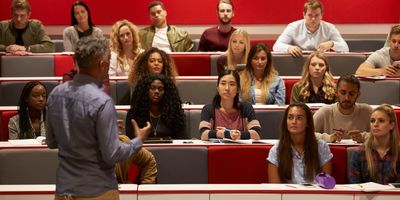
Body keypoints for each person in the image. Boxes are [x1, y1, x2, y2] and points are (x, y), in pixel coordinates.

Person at [46, 37, 152, 199]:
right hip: (97, 191)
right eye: (109, 61)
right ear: (102, 65)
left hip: (63, 191)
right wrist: (138, 141)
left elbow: (51, 142)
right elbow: (112, 154)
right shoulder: (102, 101)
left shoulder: (55, 94)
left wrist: (96, 129)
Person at [267, 103, 333, 184]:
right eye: (290, 118)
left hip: (315, 195)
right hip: (287, 196)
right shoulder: (276, 151)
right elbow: (275, 189)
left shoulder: (321, 147)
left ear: (307, 123)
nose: (294, 122)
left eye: (299, 118)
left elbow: (326, 184)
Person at [199, 69, 261, 141]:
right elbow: (203, 134)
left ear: (238, 89)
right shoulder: (208, 109)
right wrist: (226, 134)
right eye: (223, 83)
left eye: (232, 84)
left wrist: (238, 134)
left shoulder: (246, 108)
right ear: (217, 87)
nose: (227, 88)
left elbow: (257, 134)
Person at [272, 0, 348, 57]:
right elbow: (276, 46)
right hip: (298, 61)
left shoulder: (330, 28)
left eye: (317, 15)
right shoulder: (293, 27)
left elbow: (345, 48)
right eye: (310, 15)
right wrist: (288, 48)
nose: (313, 19)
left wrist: (332, 44)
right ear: (304, 15)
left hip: (320, 64)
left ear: (322, 15)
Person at [349, 104, 400, 184]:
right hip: (364, 196)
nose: (375, 124)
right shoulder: (359, 153)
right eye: (372, 121)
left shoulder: (398, 152)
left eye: (381, 121)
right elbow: (355, 186)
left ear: (391, 125)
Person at [313, 75, 373, 143]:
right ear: (336, 92)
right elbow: (306, 133)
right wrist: (329, 138)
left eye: (351, 94)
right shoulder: (324, 112)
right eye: (343, 93)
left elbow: (382, 135)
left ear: (358, 94)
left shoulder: (367, 111)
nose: (347, 98)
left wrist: (363, 137)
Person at [125, 74, 185, 139]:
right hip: (142, 148)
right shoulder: (134, 113)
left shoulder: (175, 113)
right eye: (152, 88)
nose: (156, 91)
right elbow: (130, 141)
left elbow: (181, 139)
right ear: (145, 91)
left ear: (166, 92)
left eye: (160, 89)